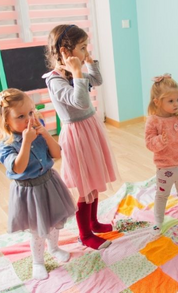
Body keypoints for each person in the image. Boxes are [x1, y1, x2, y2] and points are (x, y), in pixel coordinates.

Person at [44, 24, 118, 250]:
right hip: (76, 135)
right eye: (82, 47)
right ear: (65, 51)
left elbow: (97, 81)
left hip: (90, 129)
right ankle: (85, 234)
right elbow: (81, 102)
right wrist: (77, 73)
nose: (86, 51)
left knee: (94, 181)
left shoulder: (74, 72)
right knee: (86, 187)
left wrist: (88, 63)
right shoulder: (55, 80)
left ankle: (93, 222)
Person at [0, 88, 76, 280]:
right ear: (6, 121)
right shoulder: (6, 145)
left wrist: (46, 134)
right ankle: (38, 262)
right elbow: (18, 168)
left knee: (54, 223)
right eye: (20, 116)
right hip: (29, 192)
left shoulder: (38, 130)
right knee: (38, 230)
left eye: (30, 112)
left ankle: (54, 248)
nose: (29, 119)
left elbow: (57, 154)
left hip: (49, 183)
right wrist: (27, 143)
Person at [144, 74, 178, 233]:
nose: (176, 104)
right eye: (171, 101)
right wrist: (160, 140)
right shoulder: (153, 121)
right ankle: (158, 221)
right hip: (164, 167)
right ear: (157, 102)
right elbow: (149, 143)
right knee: (162, 196)